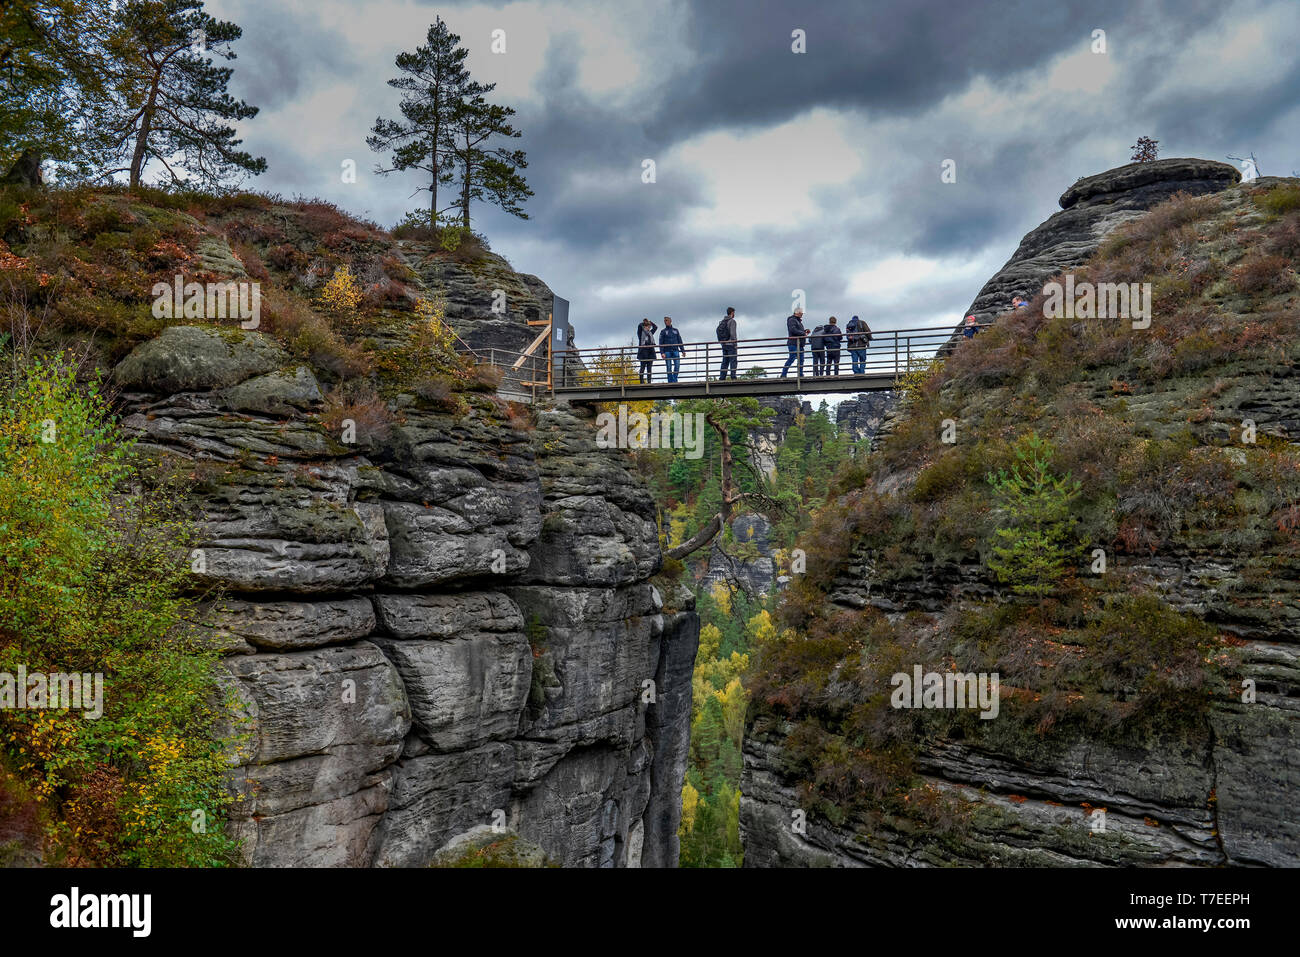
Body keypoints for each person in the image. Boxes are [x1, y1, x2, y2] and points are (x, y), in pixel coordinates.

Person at [781, 307, 808, 377]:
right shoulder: (792, 320)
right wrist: (803, 333)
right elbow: (792, 330)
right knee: (792, 358)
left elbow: (797, 331)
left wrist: (804, 332)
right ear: (797, 313)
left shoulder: (798, 321)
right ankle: (783, 374)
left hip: (800, 344)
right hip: (793, 343)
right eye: (801, 313)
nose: (802, 314)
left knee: (801, 360)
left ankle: (800, 374)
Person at [659, 316, 683, 382]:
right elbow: (661, 343)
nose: (666, 322)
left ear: (670, 321)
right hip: (667, 351)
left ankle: (674, 380)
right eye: (665, 321)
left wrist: (683, 350)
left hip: (675, 350)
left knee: (677, 366)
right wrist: (662, 353)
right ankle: (670, 381)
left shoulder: (676, 330)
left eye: (667, 320)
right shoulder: (663, 331)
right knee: (669, 367)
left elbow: (679, 340)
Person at [716, 307, 738, 380]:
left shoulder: (722, 321)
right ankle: (733, 377)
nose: (734, 314)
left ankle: (722, 377)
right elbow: (732, 333)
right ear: (732, 313)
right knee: (733, 360)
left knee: (725, 361)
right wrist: (735, 344)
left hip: (724, 344)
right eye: (734, 312)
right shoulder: (732, 321)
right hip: (731, 344)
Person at [636, 317, 657, 382]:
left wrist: (650, 322)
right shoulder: (641, 333)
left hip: (650, 352)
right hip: (643, 353)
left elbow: (655, 327)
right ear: (644, 327)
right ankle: (641, 382)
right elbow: (639, 326)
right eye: (647, 326)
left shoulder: (651, 333)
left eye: (649, 327)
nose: (648, 328)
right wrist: (644, 322)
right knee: (642, 367)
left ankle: (649, 382)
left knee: (649, 368)